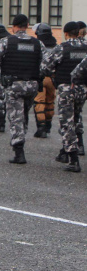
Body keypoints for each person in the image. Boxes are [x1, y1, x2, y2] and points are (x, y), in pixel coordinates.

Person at [0, 14, 46, 165]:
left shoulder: (7, 41)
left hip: (14, 85)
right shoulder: (37, 43)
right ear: (27, 26)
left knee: (15, 117)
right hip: (32, 85)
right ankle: (21, 136)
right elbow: (47, 64)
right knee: (23, 113)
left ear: (13, 26)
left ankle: (19, 152)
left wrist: (0, 72)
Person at [41, 21, 87, 172]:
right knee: (75, 117)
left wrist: (53, 75)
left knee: (66, 123)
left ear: (66, 34)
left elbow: (45, 67)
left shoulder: (62, 48)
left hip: (67, 88)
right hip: (83, 90)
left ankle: (73, 159)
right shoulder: (85, 47)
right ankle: (67, 150)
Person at [32, 22, 57, 138]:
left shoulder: (37, 45)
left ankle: (41, 128)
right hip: (53, 78)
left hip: (41, 77)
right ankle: (48, 126)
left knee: (39, 102)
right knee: (50, 102)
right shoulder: (56, 46)